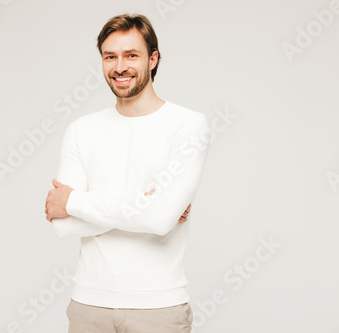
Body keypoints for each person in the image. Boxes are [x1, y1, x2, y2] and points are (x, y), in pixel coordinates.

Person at [44, 13, 211, 333]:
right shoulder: (82, 130)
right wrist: (143, 205)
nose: (120, 66)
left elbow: (159, 221)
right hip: (87, 307)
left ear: (153, 58)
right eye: (110, 56)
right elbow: (63, 226)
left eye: (131, 55)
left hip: (158, 309)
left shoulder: (187, 126)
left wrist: (74, 201)